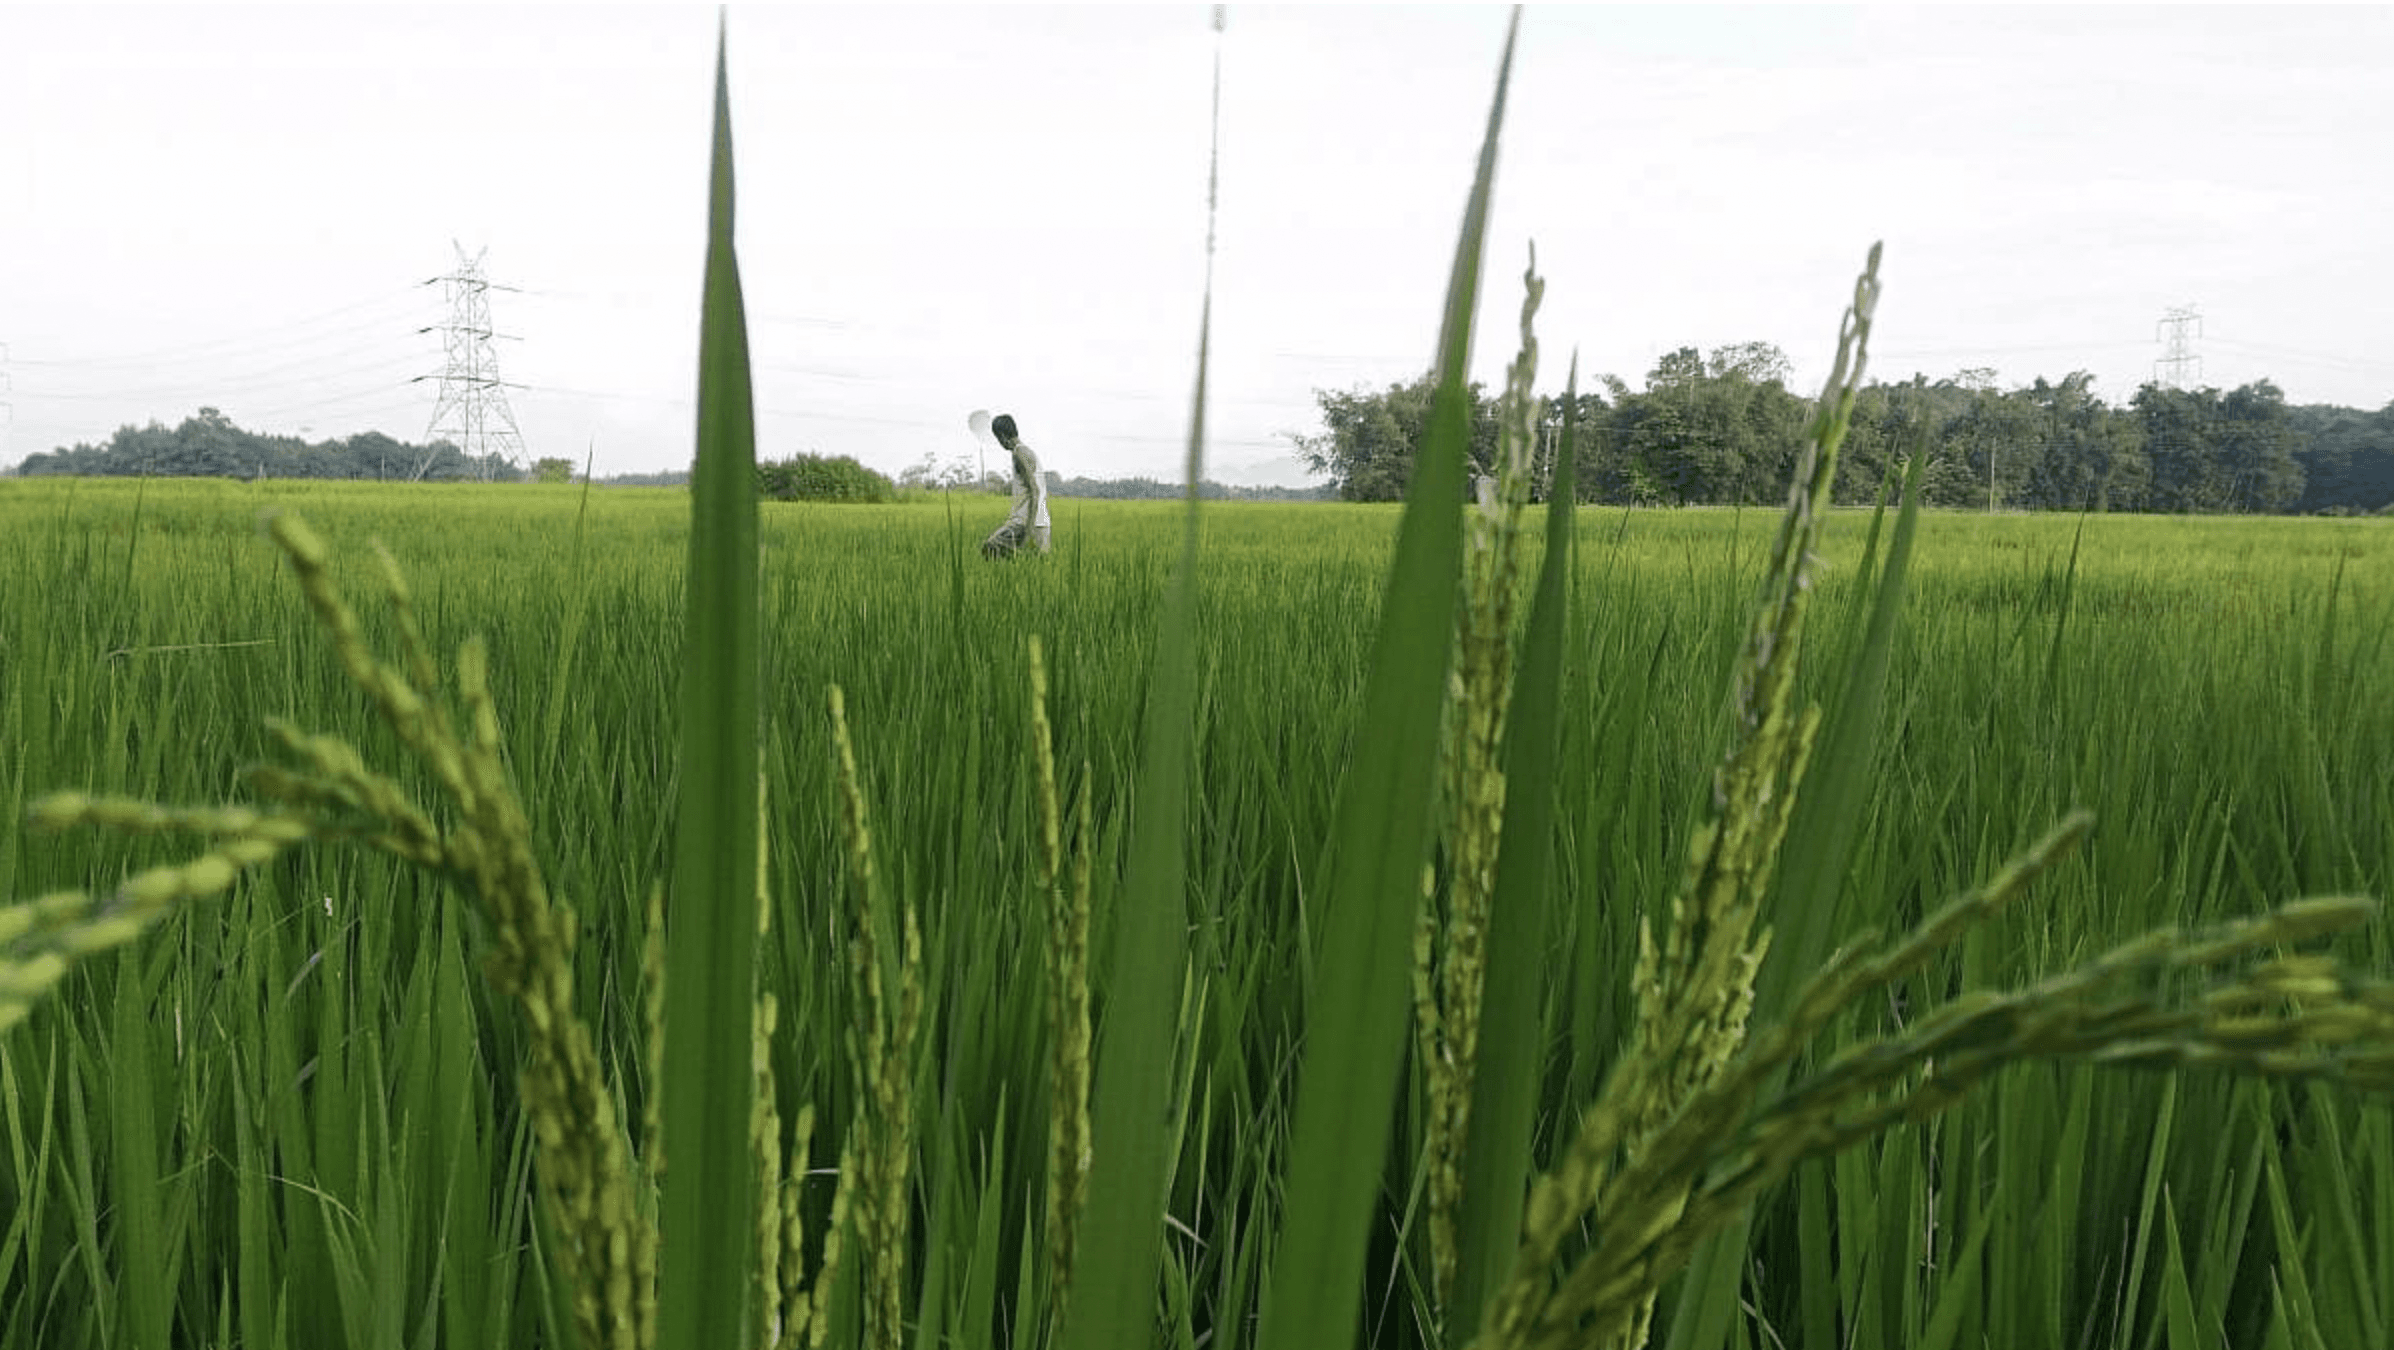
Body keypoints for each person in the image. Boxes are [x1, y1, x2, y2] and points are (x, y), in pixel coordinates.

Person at [980, 413, 1052, 559]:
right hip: (1042, 522)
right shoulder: (1028, 452)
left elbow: (1035, 491)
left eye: (998, 439)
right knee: (1032, 566)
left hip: (1024, 522)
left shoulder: (1019, 453)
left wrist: (1028, 530)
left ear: (1002, 436)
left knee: (990, 547)